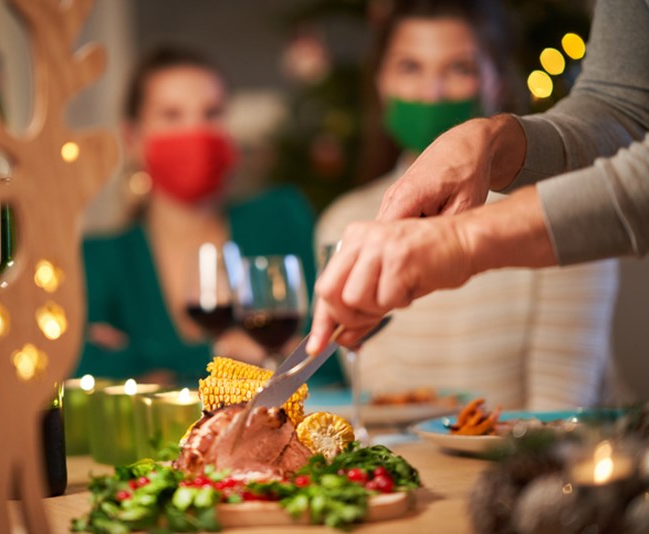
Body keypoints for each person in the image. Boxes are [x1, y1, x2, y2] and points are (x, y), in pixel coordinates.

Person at [316, 0, 620, 409]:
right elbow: (381, 406)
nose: (433, 92)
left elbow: (559, 411)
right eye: (410, 67)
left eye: (460, 68)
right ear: (381, 82)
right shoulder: (343, 223)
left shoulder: (560, 206)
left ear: (495, 81)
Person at [76, 45, 344, 386]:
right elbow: (84, 370)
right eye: (171, 115)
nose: (195, 131)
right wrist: (230, 351)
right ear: (132, 138)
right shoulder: (101, 257)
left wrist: (144, 359)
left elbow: (327, 357)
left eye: (212, 113)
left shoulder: (280, 218)